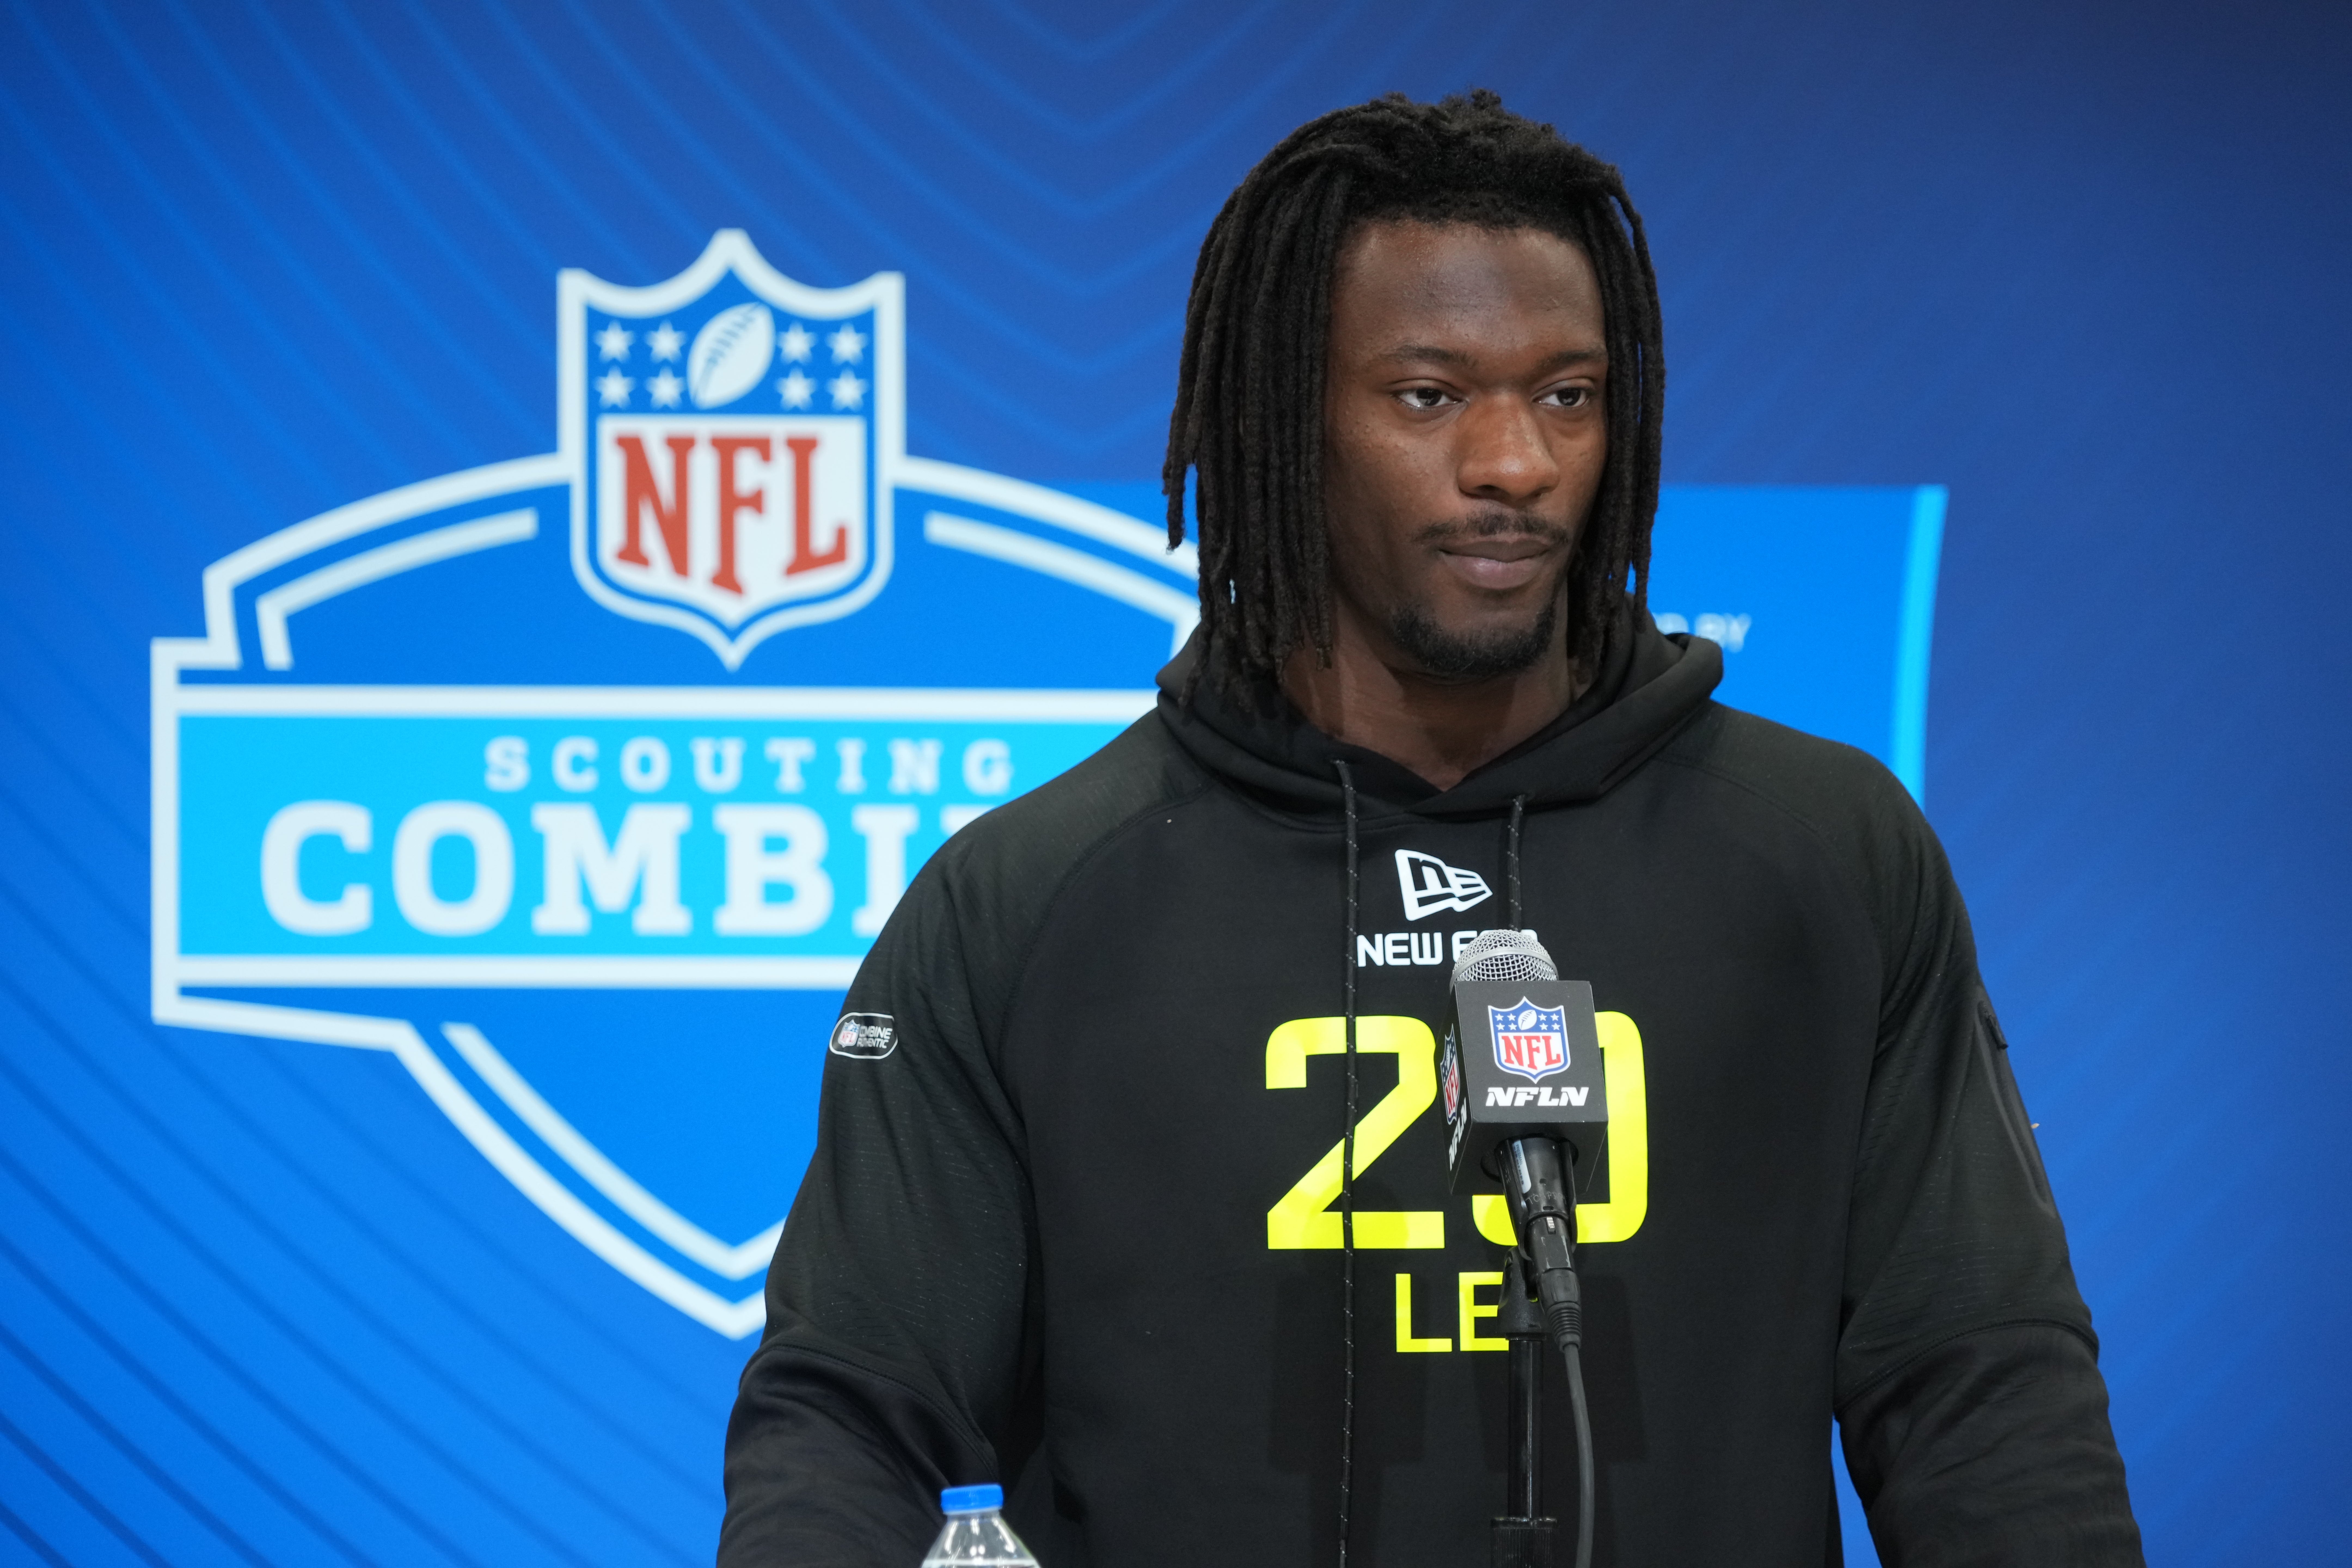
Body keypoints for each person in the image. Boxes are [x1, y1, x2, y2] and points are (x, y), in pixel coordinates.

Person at [721, 91, 2142, 1566]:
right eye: (1430, 396)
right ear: (1288, 421)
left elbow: (1981, 1389)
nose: (1516, 464)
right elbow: (847, 1413)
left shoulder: (1824, 854)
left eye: (1568, 396)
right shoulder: (1027, 900)